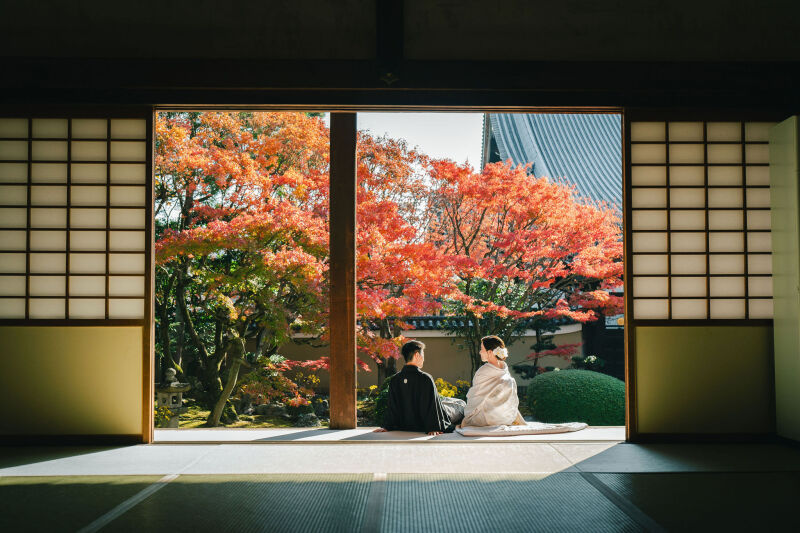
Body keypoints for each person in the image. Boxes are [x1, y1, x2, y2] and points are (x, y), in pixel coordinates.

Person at [374, 340, 465, 435]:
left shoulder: (394, 379)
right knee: (461, 404)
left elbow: (392, 406)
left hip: (406, 424)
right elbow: (432, 406)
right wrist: (434, 427)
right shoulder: (425, 378)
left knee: (445, 400)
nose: (423, 359)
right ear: (417, 355)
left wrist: (386, 426)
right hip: (433, 418)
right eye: (423, 356)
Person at [460, 335, 526, 428]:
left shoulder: (482, 371)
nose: (480, 352)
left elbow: (474, 398)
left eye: (482, 349)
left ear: (490, 352)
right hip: (506, 417)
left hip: (486, 418)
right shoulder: (504, 368)